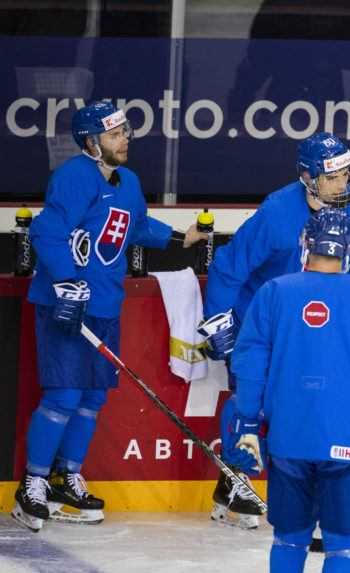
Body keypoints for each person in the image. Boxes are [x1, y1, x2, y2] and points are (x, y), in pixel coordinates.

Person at [12, 100, 206, 532]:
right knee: (63, 395)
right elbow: (48, 230)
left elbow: (133, 225)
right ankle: (33, 484)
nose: (125, 140)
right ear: (92, 142)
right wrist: (64, 279)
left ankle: (67, 478)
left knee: (92, 398)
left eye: (125, 132)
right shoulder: (72, 178)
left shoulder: (129, 181)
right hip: (66, 306)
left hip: (103, 305)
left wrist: (179, 236)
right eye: (116, 134)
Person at [197, 132, 350, 529]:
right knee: (250, 397)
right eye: (333, 177)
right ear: (308, 178)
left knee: (305, 401)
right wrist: (219, 321)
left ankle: (253, 488)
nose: (344, 184)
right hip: (262, 317)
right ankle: (236, 479)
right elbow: (228, 266)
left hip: (311, 322)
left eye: (347, 173)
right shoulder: (277, 212)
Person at [226, 208, 350, 573]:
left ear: (305, 243)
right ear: (348, 249)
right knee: (343, 545)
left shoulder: (274, 292)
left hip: (290, 438)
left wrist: (246, 425)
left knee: (289, 537)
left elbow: (249, 366)